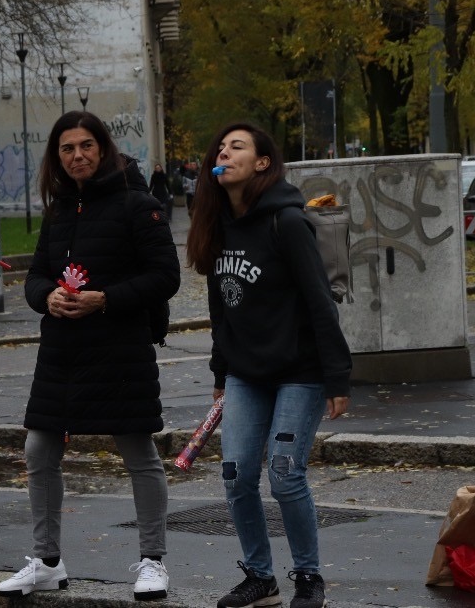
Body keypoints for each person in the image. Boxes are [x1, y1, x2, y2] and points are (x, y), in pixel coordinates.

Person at [0, 111, 180, 601]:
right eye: (67, 149)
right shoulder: (57, 211)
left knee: (138, 453)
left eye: (86, 146)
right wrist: (45, 297)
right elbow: (36, 275)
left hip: (120, 348)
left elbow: (166, 276)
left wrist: (105, 298)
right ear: (58, 157)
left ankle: (153, 561)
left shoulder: (138, 204)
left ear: (104, 149)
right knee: (39, 450)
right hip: (63, 350)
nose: (77, 156)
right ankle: (47, 561)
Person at [184, 122, 351, 608]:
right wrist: (220, 376)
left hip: (301, 370)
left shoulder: (288, 221)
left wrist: (337, 376)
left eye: (237, 146)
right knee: (236, 475)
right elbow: (222, 314)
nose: (225, 152)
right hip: (245, 374)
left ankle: (308, 576)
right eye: (220, 147)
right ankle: (260, 578)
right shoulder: (216, 227)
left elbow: (321, 302)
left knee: (284, 472)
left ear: (261, 163)